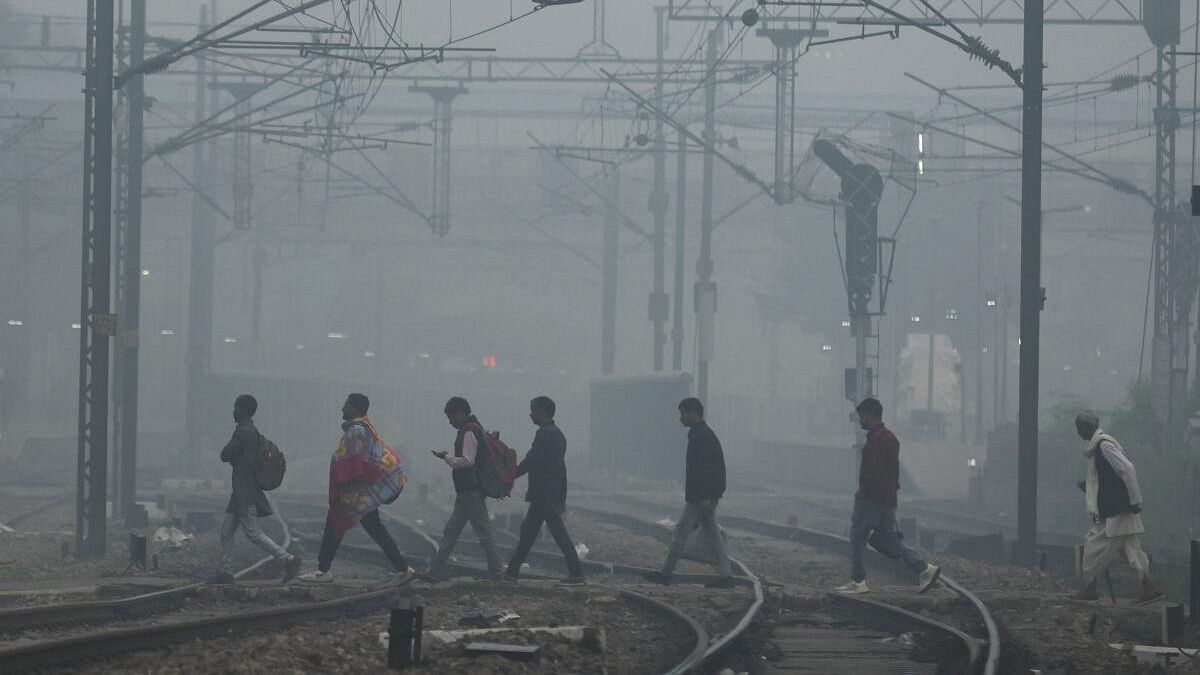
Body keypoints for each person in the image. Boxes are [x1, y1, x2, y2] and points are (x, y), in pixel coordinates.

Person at [299, 393, 410, 583]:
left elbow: (356, 462)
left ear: (355, 408)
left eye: (346, 405)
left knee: (334, 525)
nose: (342, 408)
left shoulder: (356, 431)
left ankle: (323, 571)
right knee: (375, 529)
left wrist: (346, 486)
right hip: (362, 492)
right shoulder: (365, 428)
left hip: (356, 492)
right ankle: (403, 569)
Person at [835, 397, 940, 595]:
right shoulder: (890, 437)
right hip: (888, 499)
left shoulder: (876, 440)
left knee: (857, 537)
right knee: (889, 540)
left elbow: (873, 472)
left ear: (869, 415)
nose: (860, 421)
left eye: (861, 417)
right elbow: (891, 471)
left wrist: (864, 494)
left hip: (871, 499)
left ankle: (858, 581)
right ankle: (924, 568)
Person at [1072, 412, 1164, 603]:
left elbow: (1127, 469)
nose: (1078, 433)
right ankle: (1149, 589)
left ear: (1087, 428)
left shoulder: (1104, 445)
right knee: (1132, 551)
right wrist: (1091, 487)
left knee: (1092, 546)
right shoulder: (1097, 449)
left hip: (1117, 511)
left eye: (1080, 429)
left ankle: (1089, 588)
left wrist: (1135, 500)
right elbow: (1107, 478)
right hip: (1118, 509)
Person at [643, 397, 734, 588]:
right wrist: (715, 495)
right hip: (704, 497)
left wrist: (707, 497)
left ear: (694, 413)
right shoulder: (702, 434)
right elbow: (716, 468)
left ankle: (666, 575)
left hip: (699, 498)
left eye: (683, 413)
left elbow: (708, 469)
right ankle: (726, 575)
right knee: (713, 536)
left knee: (680, 535)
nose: (681, 418)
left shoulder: (700, 436)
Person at [216, 394, 299, 584]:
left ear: (243, 410)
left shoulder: (243, 432)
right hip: (240, 492)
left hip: (246, 492)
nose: (233, 412)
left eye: (236, 408)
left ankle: (288, 560)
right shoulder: (252, 431)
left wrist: (233, 456)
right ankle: (225, 571)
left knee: (253, 533)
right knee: (226, 531)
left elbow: (225, 454)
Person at [503, 396, 585, 585]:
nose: (531, 414)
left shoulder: (546, 434)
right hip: (547, 492)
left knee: (555, 532)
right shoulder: (555, 433)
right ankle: (512, 572)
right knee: (528, 531)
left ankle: (577, 574)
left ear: (542, 411)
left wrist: (509, 475)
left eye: (533, 410)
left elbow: (533, 460)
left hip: (545, 493)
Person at [424, 397, 503, 579]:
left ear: (460, 413)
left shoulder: (468, 432)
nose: (450, 421)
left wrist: (447, 458)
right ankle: (434, 571)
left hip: (471, 492)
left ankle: (498, 573)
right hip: (467, 492)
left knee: (483, 534)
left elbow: (468, 461)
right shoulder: (475, 429)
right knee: (451, 532)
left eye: (451, 417)